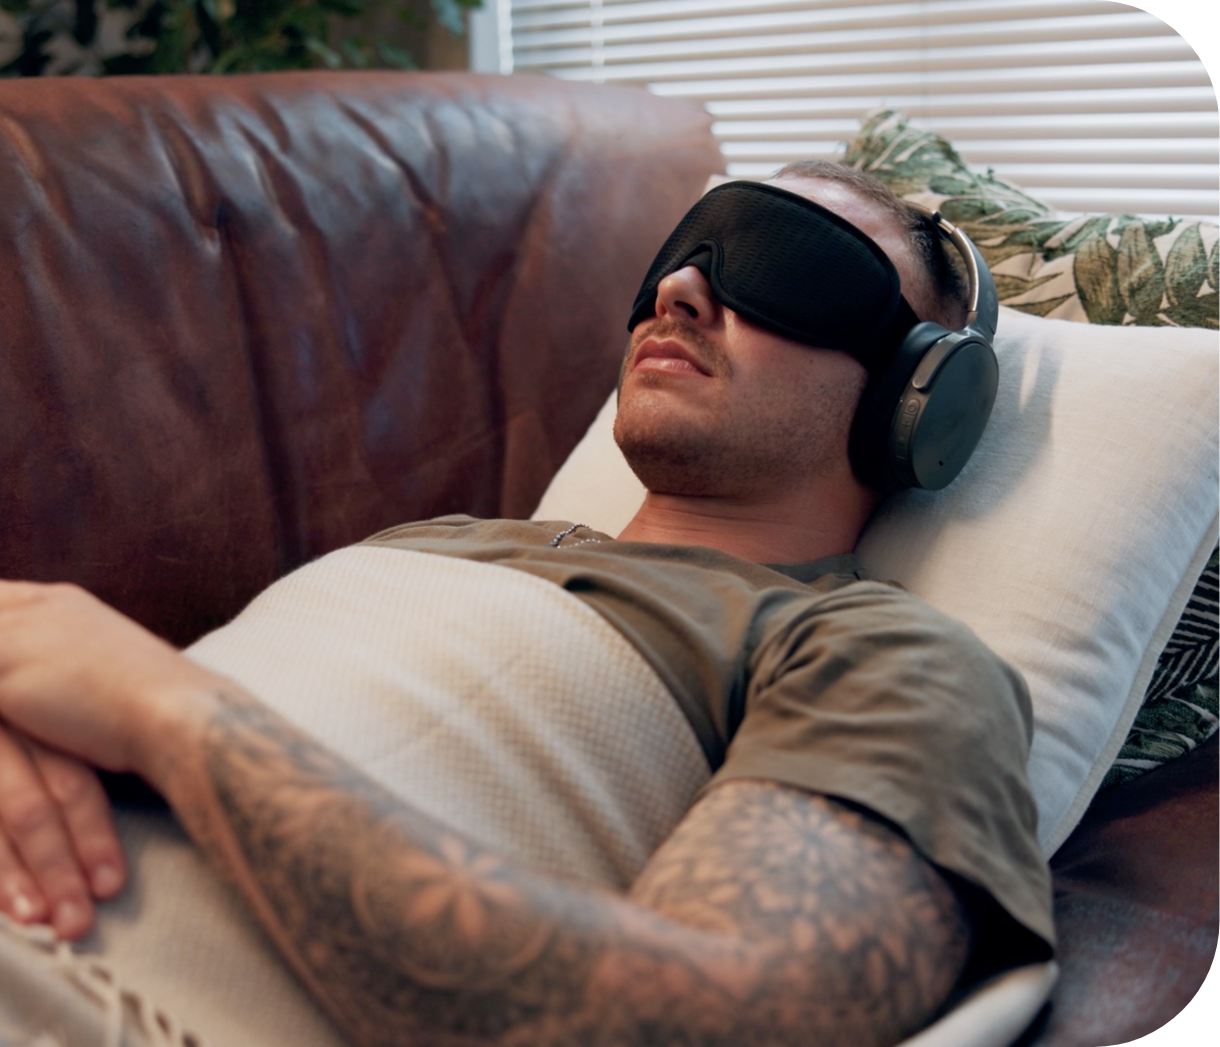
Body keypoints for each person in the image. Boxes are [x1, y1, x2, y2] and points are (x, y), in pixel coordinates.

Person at [0, 162, 1053, 1047]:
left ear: (919, 397)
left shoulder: (874, 653)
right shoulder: (427, 543)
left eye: (783, 264)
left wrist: (172, 712)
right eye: (681, 251)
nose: (678, 289)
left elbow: (721, 1018)